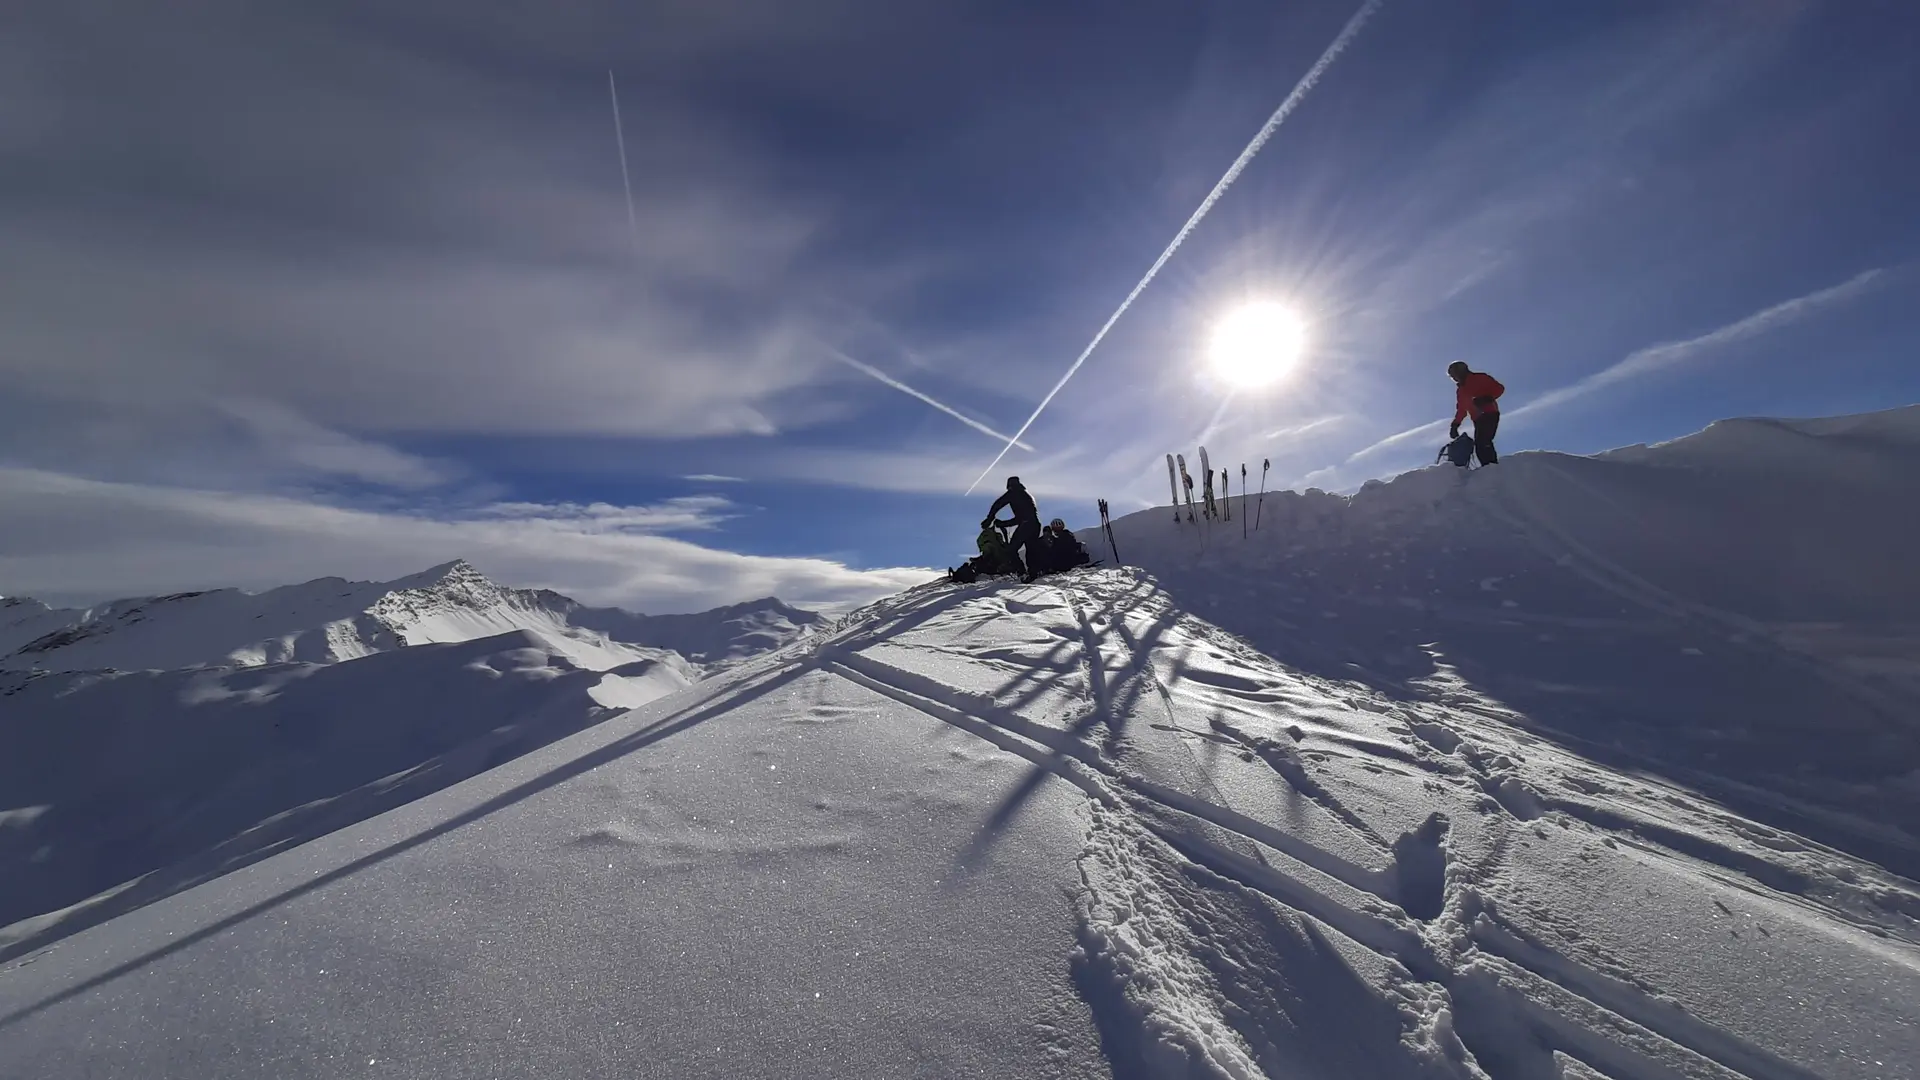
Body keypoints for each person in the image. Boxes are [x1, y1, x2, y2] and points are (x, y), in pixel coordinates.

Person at [983, 476, 1044, 583]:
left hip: (1026, 525)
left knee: (1011, 550)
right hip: (1034, 524)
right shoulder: (1026, 495)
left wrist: (990, 519)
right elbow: (1022, 518)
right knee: (1031, 549)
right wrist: (1004, 523)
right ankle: (1032, 573)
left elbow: (998, 504)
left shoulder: (1014, 492)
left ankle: (1022, 572)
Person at [1448, 361, 1504, 466]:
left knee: (1483, 442)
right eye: (1452, 377)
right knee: (1481, 444)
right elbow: (1461, 409)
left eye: (1454, 375)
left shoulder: (1480, 378)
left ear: (1461, 371)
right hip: (1478, 419)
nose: (1454, 378)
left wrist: (1488, 398)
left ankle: (1492, 468)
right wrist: (1455, 425)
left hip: (1489, 413)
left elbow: (1499, 388)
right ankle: (1489, 468)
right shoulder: (1461, 390)